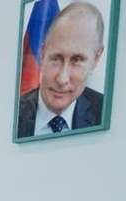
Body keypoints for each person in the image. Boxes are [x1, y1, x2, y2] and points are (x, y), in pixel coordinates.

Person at [16, 2, 106, 138]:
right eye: (56, 59)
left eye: (77, 60)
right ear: (42, 54)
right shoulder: (13, 112)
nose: (62, 79)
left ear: (96, 59)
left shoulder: (106, 112)